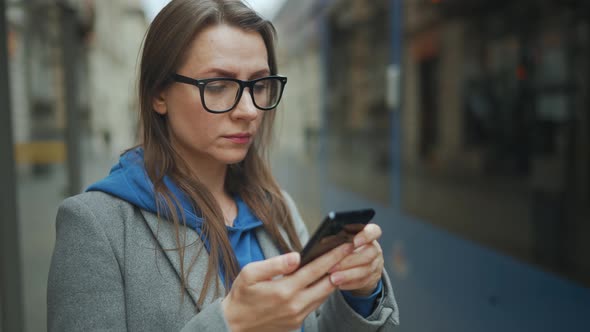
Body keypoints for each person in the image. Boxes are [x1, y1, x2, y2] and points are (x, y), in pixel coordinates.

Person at [47, 0, 399, 331]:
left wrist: (359, 294)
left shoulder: (277, 209)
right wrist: (230, 325)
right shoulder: (96, 226)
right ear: (158, 94)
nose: (248, 110)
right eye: (217, 85)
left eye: (259, 85)